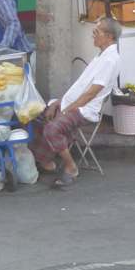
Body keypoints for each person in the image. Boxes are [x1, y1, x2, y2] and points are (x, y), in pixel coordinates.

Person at [30, 17, 121, 189]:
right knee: (36, 115)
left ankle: (71, 167)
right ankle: (45, 160)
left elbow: (91, 94)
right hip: (73, 104)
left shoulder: (110, 60)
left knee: (52, 128)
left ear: (108, 36)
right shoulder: (101, 55)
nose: (93, 35)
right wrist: (59, 103)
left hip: (85, 110)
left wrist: (66, 110)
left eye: (96, 32)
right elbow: (79, 88)